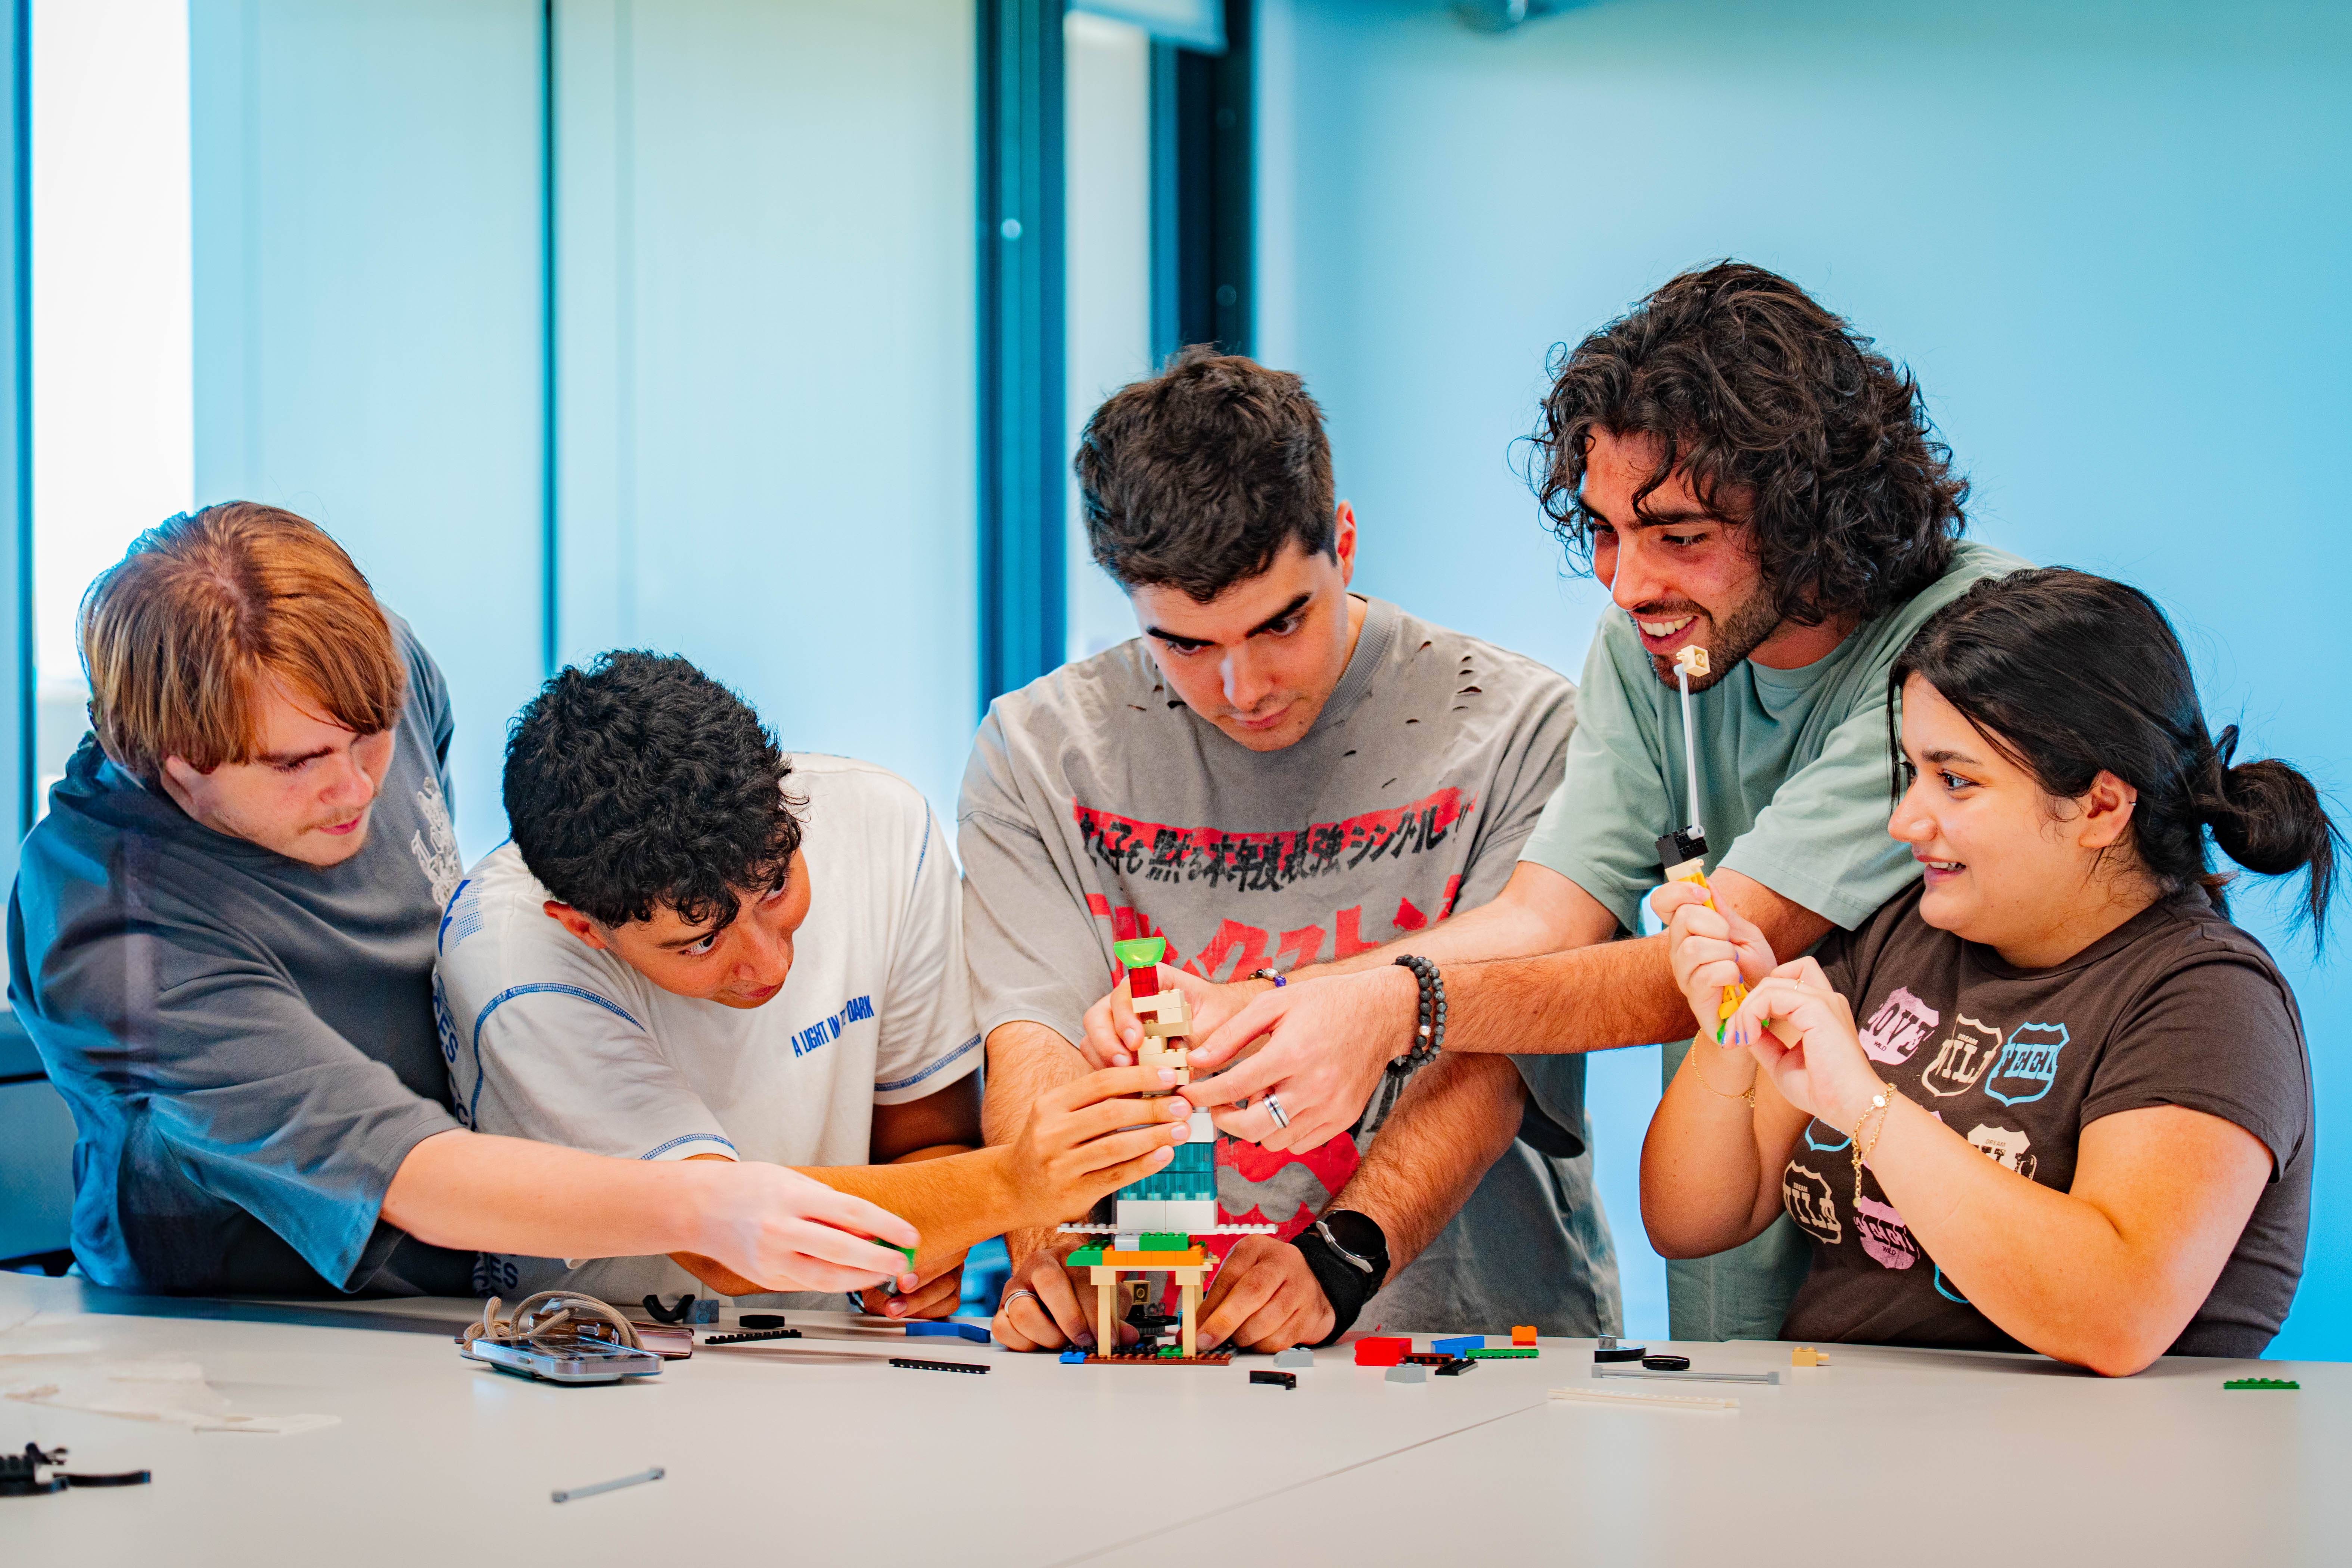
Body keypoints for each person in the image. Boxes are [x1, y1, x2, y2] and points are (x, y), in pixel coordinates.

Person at [1154, 263, 2030, 1344]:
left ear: (1813, 512)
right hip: (1737, 1286)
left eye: (1678, 535)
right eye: (1606, 531)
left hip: (1942, 1305)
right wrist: (1269, 1004)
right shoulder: (1648, 648)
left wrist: (1394, 1012)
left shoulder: (1968, 653)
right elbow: (1543, 923)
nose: (1623, 586)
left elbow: (1704, 966)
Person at [5, 504, 1121, 1300]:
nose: (357, 789)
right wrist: (705, 1208)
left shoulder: (363, 676)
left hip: (489, 1273)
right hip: (258, 1310)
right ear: (163, 755)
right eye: (298, 766)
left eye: (371, 737)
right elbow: (409, 1169)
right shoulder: (118, 937)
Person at [965, 347, 1613, 1354]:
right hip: (1154, 1350)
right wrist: (1057, 1255)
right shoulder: (1039, 754)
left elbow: (1494, 1060)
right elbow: (1032, 1048)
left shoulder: (1517, 728)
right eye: (1183, 644)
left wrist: (1335, 1264)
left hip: (1463, 1348)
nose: (1243, 686)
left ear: (1342, 544)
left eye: (1281, 624)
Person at [1645, 569, 2325, 1372]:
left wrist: (1865, 1104)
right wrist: (1731, 1022)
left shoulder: (2208, 1000)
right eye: (1913, 774)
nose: (1905, 820)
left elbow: (2117, 1315)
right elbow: (1691, 1220)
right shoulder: (1900, 933)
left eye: (1957, 781)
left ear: (2101, 807)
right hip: (1849, 1455)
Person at [438, 651, 1193, 1310]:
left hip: (827, 1348)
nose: (769, 964)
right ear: (582, 925)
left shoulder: (882, 830)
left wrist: (920, 1245)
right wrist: (1009, 1189)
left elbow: (926, 1142)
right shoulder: (511, 960)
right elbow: (716, 1235)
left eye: (775, 888)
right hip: (598, 1350)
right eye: (700, 942)